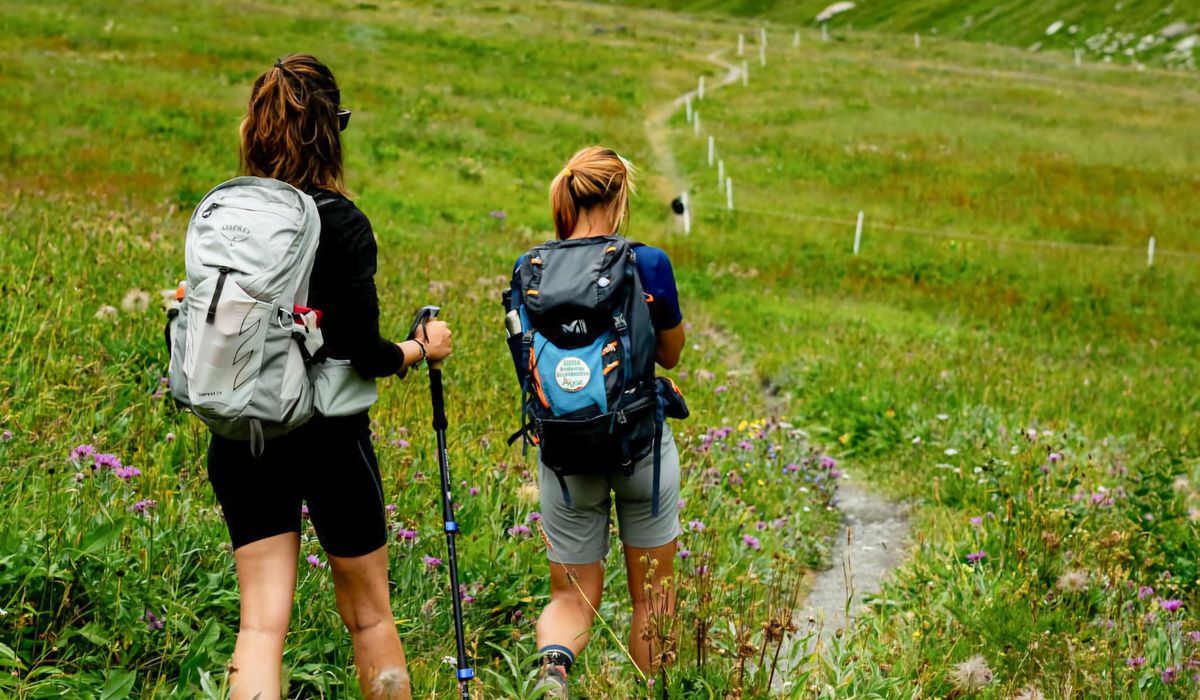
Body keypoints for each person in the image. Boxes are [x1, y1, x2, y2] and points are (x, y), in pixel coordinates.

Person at [206, 54, 451, 700]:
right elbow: (362, 353)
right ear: (329, 130)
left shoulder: (227, 217)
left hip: (242, 432)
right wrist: (420, 349)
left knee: (260, 626)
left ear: (254, 129)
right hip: (328, 438)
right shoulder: (340, 221)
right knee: (368, 615)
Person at [521, 147, 686, 697]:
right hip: (640, 448)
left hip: (565, 453)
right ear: (619, 198)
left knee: (570, 597)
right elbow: (670, 355)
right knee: (653, 597)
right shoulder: (648, 263)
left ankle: (553, 669)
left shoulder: (533, 270)